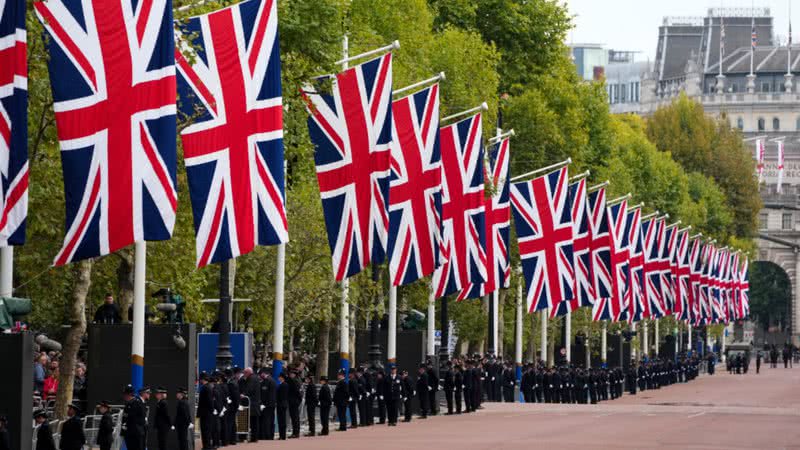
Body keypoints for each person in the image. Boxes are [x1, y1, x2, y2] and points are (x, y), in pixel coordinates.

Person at [122, 384, 147, 450]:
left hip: (135, 433)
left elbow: (140, 420)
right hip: (130, 433)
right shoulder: (129, 403)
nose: (124, 396)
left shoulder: (136, 403)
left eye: (125, 394)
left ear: (129, 394)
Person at [241, 367, 261, 442]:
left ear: (248, 372)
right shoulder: (255, 378)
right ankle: (255, 437)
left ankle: (254, 438)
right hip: (255, 403)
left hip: (252, 403)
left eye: (245, 373)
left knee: (253, 422)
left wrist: (244, 394)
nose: (244, 374)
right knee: (254, 422)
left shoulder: (251, 378)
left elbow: (250, 388)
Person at [196, 373, 214, 450]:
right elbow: (210, 401)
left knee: (205, 430)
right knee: (207, 430)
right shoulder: (208, 387)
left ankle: (206, 446)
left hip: (204, 413)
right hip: (207, 412)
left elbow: (208, 401)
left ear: (203, 379)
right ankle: (207, 446)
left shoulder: (205, 388)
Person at [258, 367, 276, 440]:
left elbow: (267, 394)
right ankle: (270, 435)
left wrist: (263, 404)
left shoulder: (267, 381)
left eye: (261, 374)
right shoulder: (271, 380)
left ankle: (266, 435)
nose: (260, 376)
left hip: (267, 405)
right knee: (270, 420)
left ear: (264, 373)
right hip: (271, 404)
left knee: (267, 421)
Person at [224, 369, 240, 445]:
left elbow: (234, 396)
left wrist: (236, 405)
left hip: (231, 406)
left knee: (229, 423)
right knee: (233, 423)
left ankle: (228, 439)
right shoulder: (234, 382)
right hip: (234, 406)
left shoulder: (231, 383)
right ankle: (233, 439)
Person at [287, 370, 303, 438]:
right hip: (295, 401)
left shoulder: (293, 381)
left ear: (294, 374)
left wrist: (298, 399)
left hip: (293, 401)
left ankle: (295, 433)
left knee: (294, 417)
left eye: (291, 374)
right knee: (295, 417)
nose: (290, 375)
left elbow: (297, 392)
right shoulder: (298, 381)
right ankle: (296, 432)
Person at [275, 372, 289, 440]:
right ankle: (282, 435)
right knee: (281, 420)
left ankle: (282, 435)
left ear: (282, 377)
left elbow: (281, 395)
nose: (278, 378)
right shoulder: (283, 384)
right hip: (282, 404)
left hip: (281, 404)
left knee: (282, 420)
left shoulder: (283, 385)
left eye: (279, 377)